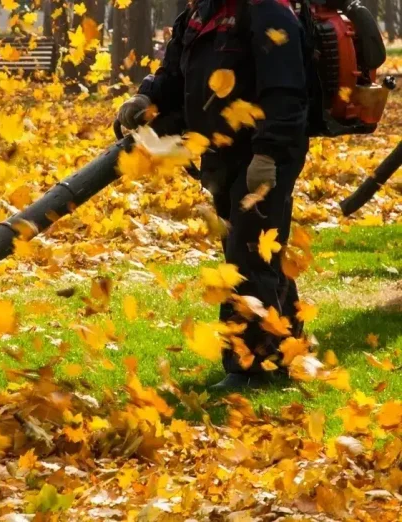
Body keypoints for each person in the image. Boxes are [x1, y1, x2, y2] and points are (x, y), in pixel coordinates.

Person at [117, 0, 309, 390]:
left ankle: (251, 369)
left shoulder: (267, 9)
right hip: (224, 154)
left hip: (264, 153)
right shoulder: (198, 14)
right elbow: (173, 75)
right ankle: (286, 351)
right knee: (256, 250)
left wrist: (269, 153)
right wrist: (145, 99)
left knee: (247, 257)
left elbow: (286, 90)